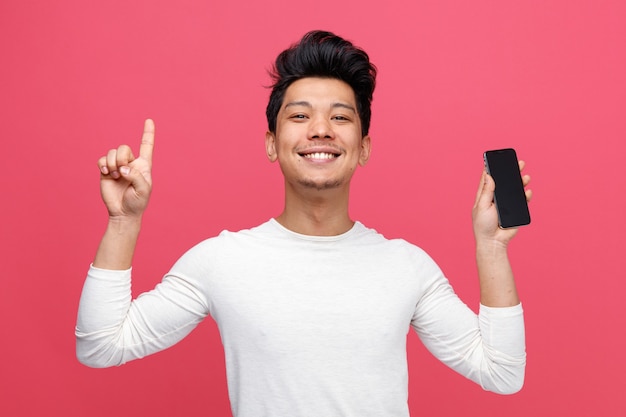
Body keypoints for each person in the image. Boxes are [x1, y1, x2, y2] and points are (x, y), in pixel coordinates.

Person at [76, 30, 531, 417]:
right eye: (299, 115)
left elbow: (501, 372)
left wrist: (492, 247)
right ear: (272, 144)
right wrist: (123, 222)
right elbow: (101, 347)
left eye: (340, 116)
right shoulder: (222, 260)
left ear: (364, 147)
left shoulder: (407, 266)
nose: (320, 130)